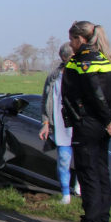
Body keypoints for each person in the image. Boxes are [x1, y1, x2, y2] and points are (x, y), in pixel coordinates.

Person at [59, 21, 111, 222]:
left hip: (87, 124)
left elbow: (93, 93)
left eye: (72, 39)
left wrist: (107, 119)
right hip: (104, 126)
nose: (70, 44)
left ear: (81, 39)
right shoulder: (110, 59)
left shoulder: (81, 61)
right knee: (102, 173)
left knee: (88, 178)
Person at [39, 42, 80, 204]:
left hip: (80, 125)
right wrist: (46, 122)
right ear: (64, 57)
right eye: (72, 57)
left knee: (82, 160)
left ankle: (80, 188)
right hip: (61, 126)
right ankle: (65, 195)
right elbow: (45, 101)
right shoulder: (53, 77)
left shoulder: (81, 75)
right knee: (63, 160)